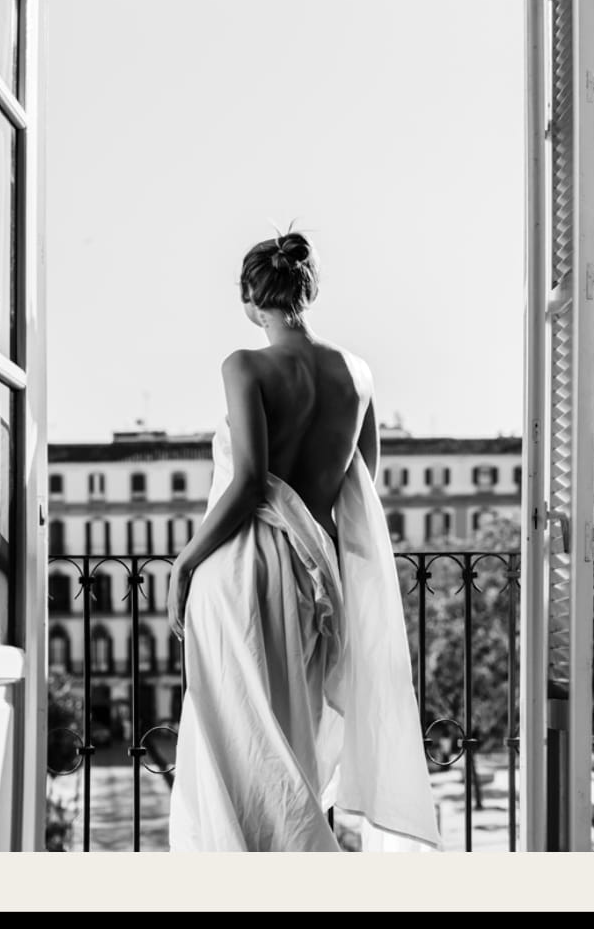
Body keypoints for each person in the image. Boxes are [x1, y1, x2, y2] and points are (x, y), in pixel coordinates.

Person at [166, 226, 443, 853]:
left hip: (242, 570)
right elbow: (362, 484)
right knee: (293, 735)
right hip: (316, 573)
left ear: (250, 298)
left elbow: (248, 483)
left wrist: (185, 561)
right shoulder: (358, 374)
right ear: (306, 291)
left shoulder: (244, 365)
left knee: (236, 740)